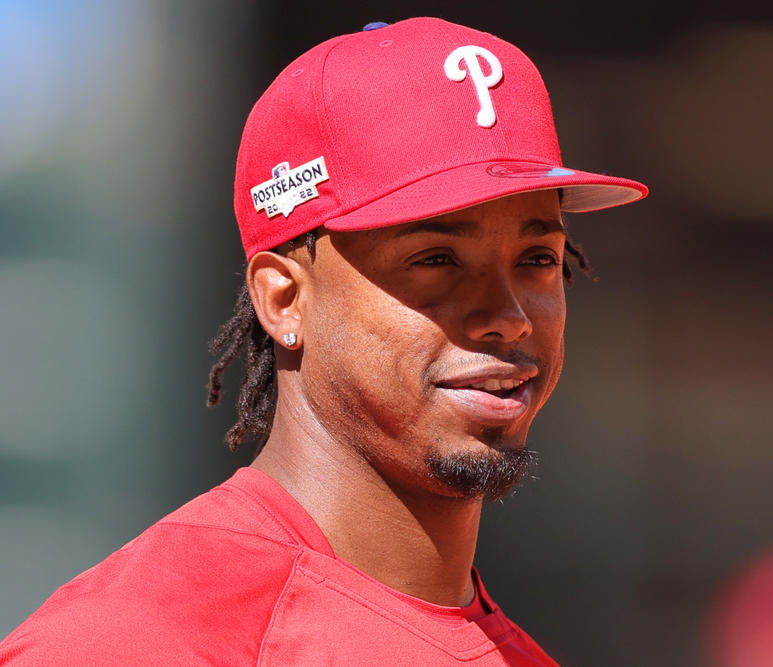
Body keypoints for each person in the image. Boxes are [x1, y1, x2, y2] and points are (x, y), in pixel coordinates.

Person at [0, 17, 647, 665]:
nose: (508, 315)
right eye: (437, 258)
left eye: (537, 257)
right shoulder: (133, 642)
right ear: (285, 298)